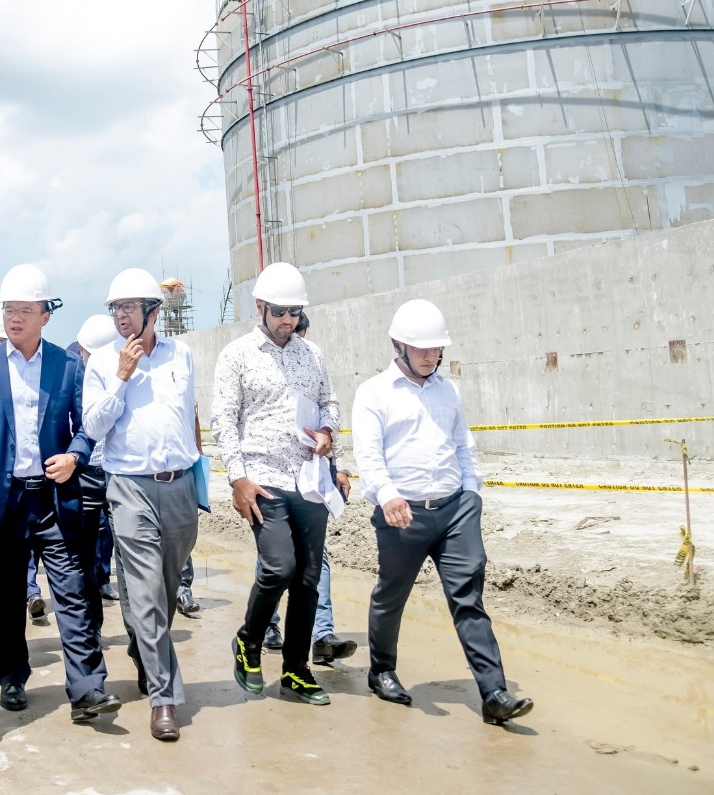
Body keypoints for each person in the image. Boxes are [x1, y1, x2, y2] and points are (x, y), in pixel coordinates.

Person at [354, 299, 533, 724]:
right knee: (391, 596)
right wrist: (387, 495)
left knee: (468, 596)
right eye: (422, 348)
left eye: (437, 348)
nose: (431, 355)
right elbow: (368, 456)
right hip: (402, 514)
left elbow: (462, 446)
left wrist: (471, 492)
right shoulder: (374, 393)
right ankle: (381, 671)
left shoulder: (448, 390)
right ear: (399, 346)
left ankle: (494, 693)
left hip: (455, 511)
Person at [0, 264, 119, 724]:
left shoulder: (68, 365)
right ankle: (12, 675)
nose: (15, 319)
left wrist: (74, 456)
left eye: (25, 310)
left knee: (73, 591)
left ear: (45, 316)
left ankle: (88, 688)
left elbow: (87, 427)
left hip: (55, 500)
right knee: (5, 595)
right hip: (4, 501)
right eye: (9, 310)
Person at [212, 263, 339, 706]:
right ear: (261, 307)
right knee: (278, 568)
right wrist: (238, 478)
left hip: (308, 480)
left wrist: (328, 433)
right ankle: (248, 640)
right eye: (280, 311)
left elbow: (329, 402)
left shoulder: (312, 354)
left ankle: (296, 671)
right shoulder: (237, 355)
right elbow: (223, 420)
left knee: (307, 579)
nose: (288, 320)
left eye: (295, 312)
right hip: (262, 479)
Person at [83, 269, 200, 742]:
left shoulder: (182, 355)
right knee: (148, 592)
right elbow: (93, 427)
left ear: (153, 311)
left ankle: (143, 648)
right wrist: (121, 377)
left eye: (129, 307)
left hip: (179, 487)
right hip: (129, 487)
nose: (120, 316)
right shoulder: (102, 362)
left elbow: (188, 415)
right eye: (115, 308)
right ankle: (163, 698)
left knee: (164, 592)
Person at [261, 311, 356, 665]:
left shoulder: (313, 363)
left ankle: (322, 635)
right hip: (276, 479)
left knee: (318, 558)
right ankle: (268, 624)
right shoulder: (268, 370)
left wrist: (339, 466)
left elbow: (327, 417)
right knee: (276, 560)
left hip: (313, 476)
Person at [74, 315, 120, 616]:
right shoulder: (75, 378)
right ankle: (90, 619)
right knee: (86, 548)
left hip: (116, 472)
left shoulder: (124, 378)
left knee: (118, 543)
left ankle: (103, 583)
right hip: (86, 471)